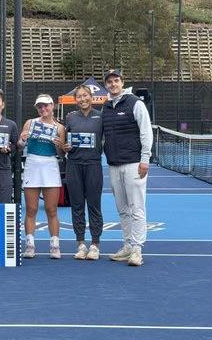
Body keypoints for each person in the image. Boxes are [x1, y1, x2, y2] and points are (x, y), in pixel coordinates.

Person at [101, 69, 153, 267]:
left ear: (122, 82)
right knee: (122, 209)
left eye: (116, 81)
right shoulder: (106, 107)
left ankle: (137, 250)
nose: (113, 84)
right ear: (106, 85)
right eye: (110, 82)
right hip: (114, 165)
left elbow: (146, 133)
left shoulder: (135, 103)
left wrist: (145, 159)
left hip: (134, 164)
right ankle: (128, 246)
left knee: (137, 208)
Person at [18, 94, 66, 259]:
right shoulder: (30, 123)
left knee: (51, 209)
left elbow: (61, 154)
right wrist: (22, 140)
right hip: (32, 164)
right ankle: (30, 244)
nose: (43, 109)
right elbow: (20, 145)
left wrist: (60, 146)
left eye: (46, 106)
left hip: (50, 165)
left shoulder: (59, 128)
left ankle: (54, 245)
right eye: (40, 106)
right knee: (31, 209)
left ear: (52, 106)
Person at [62, 83, 103, 261]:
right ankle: (80, 243)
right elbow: (63, 144)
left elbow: (107, 140)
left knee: (94, 205)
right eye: (79, 96)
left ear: (91, 97)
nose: (83, 99)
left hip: (93, 165)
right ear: (75, 99)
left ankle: (95, 244)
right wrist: (65, 147)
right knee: (77, 206)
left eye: (85, 95)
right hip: (74, 166)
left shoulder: (101, 117)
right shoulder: (70, 118)